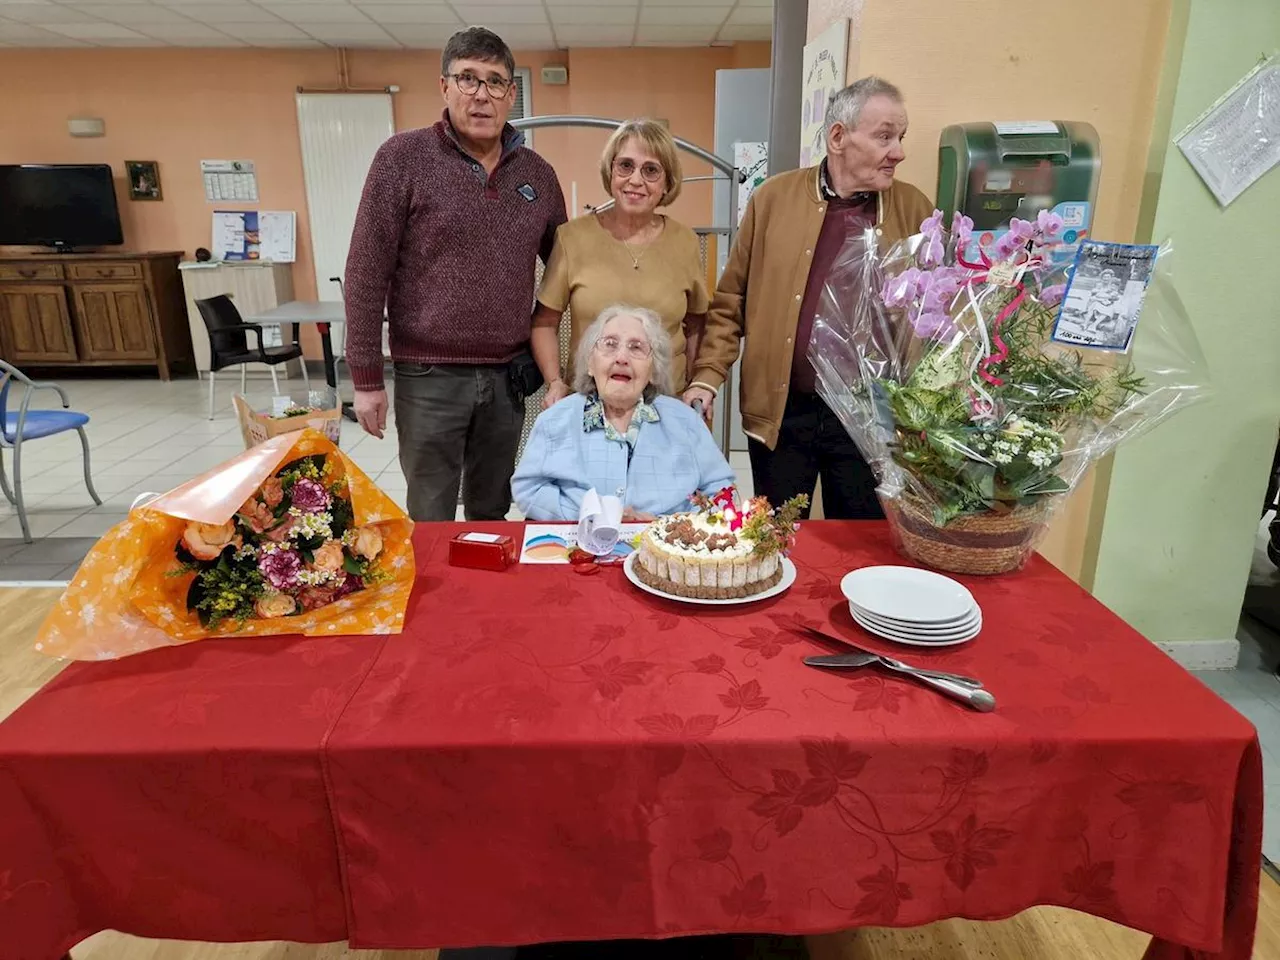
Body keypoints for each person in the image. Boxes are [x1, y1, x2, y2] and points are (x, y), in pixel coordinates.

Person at [683, 76, 934, 520]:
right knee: (777, 541)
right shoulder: (772, 200)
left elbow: (936, 315)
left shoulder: (914, 209)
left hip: (869, 421)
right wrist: (706, 377)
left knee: (860, 545)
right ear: (839, 136)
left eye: (900, 137)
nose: (898, 151)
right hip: (782, 415)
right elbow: (730, 303)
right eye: (884, 136)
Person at [343, 27, 567, 522]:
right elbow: (364, 269)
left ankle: (484, 601)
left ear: (512, 94)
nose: (481, 94)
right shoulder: (401, 160)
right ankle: (434, 599)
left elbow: (568, 268)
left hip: (507, 378)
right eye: (468, 78)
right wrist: (365, 378)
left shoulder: (538, 175)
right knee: (431, 513)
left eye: (494, 82)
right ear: (444, 87)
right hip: (428, 377)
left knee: (492, 510)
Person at [532, 119, 710, 407]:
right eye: (625, 166)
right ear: (610, 171)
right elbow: (544, 323)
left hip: (665, 402)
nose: (635, 180)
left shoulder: (685, 242)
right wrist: (555, 382)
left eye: (650, 170)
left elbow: (698, 326)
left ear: (667, 182)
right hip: (590, 401)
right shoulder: (572, 238)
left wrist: (696, 386)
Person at [513, 305, 734, 522]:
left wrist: (674, 526)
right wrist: (590, 515)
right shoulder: (555, 419)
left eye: (636, 348)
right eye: (610, 344)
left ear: (653, 371)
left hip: (667, 549)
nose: (621, 358)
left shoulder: (686, 422)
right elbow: (528, 488)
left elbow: (723, 493)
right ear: (590, 363)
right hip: (578, 545)